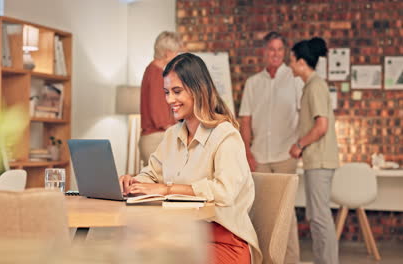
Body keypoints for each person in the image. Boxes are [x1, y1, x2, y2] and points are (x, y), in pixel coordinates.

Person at [120, 53, 262, 264]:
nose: (169, 100)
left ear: (198, 90)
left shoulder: (226, 135)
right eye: (167, 92)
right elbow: (151, 173)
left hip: (224, 242)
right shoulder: (171, 135)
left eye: (177, 91)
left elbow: (224, 191)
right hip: (181, 237)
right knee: (126, 252)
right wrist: (134, 182)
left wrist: (168, 189)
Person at [238, 31, 302, 264]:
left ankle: (291, 260)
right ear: (264, 52)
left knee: (287, 214)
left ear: (284, 53)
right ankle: (261, 259)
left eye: (279, 50)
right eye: (271, 49)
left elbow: (304, 114)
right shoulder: (253, 83)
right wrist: (247, 152)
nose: (275, 54)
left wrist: (300, 145)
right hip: (259, 156)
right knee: (261, 212)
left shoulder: (295, 80)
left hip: (285, 155)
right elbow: (245, 120)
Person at [289, 37, 340, 264]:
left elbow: (321, 126)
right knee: (316, 217)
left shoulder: (316, 86)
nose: (289, 65)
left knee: (320, 218)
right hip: (316, 161)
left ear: (301, 62)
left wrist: (299, 145)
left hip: (319, 161)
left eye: (291, 60)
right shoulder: (311, 86)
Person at [139, 31, 183, 166]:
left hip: (155, 138)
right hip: (156, 139)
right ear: (168, 52)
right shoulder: (156, 74)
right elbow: (159, 115)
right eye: (176, 52)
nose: (177, 56)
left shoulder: (152, 71)